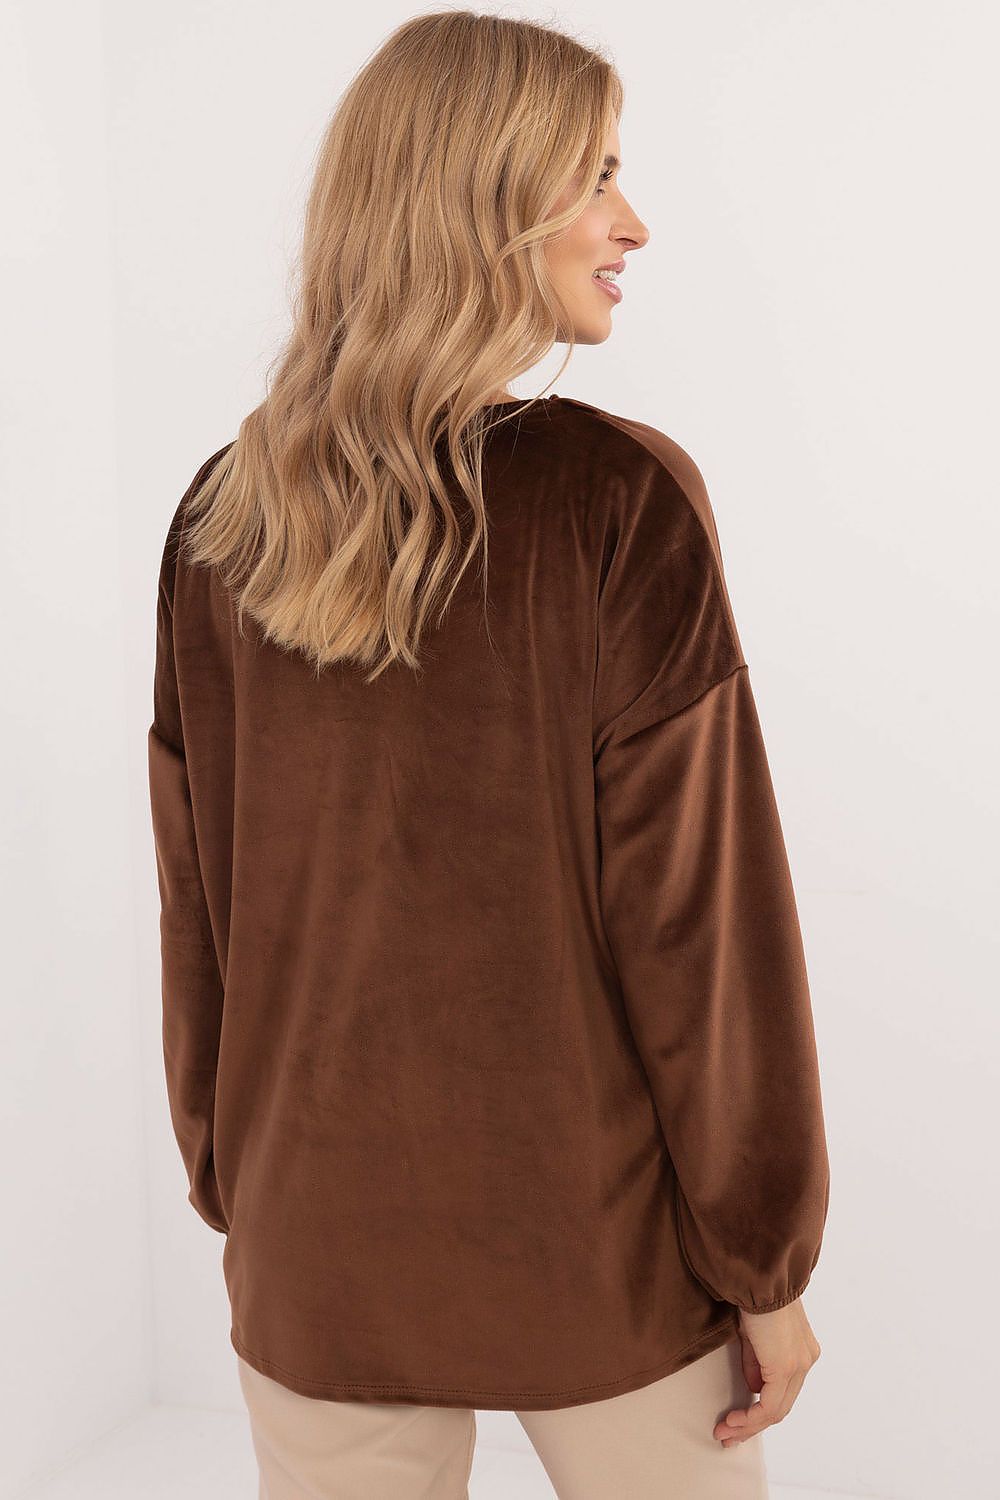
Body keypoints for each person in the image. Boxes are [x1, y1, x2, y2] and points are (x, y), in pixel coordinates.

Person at [146, 11, 830, 1498]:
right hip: (595, 1239)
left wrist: (232, 1171)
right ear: (484, 201)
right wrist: (761, 1262)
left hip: (314, 1231)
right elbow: (700, 930)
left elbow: (201, 903)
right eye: (597, 175)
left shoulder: (223, 518)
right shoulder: (616, 501)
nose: (632, 223)